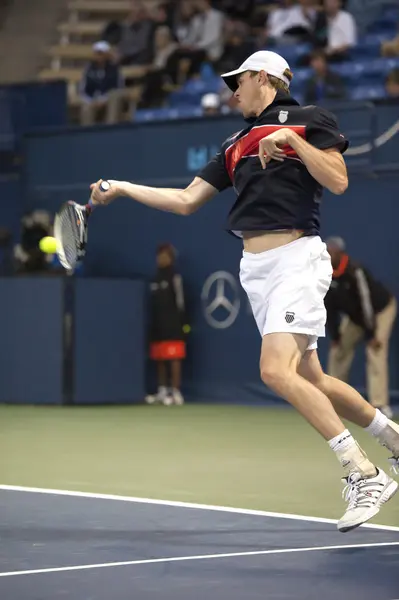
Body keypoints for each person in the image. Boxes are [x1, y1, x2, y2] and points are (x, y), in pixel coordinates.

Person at [90, 49, 399, 532]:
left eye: (239, 82)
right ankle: (394, 438)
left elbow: (337, 180)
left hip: (297, 257)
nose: (232, 93)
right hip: (256, 269)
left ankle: (363, 472)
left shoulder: (308, 119)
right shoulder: (233, 143)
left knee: (274, 371)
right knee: (312, 379)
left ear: (264, 78)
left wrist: (291, 142)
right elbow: (188, 200)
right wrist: (125, 187)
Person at [325, 237, 397, 419]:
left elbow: (366, 305)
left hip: (380, 310)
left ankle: (379, 405)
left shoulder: (355, 271)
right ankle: (335, 400)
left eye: (331, 251)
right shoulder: (324, 273)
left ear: (340, 254)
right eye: (325, 251)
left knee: (375, 351)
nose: (327, 254)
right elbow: (328, 308)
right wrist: (335, 336)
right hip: (356, 317)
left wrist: (372, 334)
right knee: (338, 351)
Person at [145, 243, 188, 406]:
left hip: (173, 325)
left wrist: (183, 324)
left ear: (171, 258)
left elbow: (180, 302)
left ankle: (176, 393)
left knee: (174, 357)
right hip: (157, 325)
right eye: (159, 256)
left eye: (164, 256)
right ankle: (162, 391)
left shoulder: (174, 277)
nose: (160, 259)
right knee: (160, 357)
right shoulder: (155, 278)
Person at [79, 41, 125, 126]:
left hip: (108, 97)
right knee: (86, 106)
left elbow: (119, 87)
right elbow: (83, 89)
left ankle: (111, 127)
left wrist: (103, 99)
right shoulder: (88, 69)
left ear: (106, 55)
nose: (99, 56)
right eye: (97, 53)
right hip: (93, 99)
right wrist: (91, 101)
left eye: (101, 53)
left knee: (115, 96)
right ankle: (86, 132)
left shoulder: (114, 69)